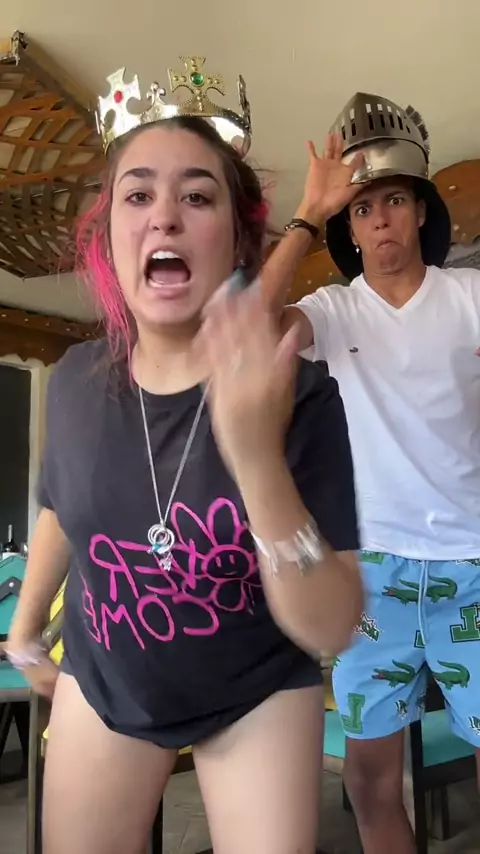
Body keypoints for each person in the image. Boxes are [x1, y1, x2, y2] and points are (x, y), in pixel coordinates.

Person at [6, 59, 362, 854]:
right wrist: (26, 630)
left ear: (237, 241)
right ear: (109, 239)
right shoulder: (74, 381)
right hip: (107, 676)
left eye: (197, 197)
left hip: (255, 687)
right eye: (137, 196)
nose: (164, 215)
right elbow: (63, 503)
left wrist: (257, 458)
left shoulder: (301, 395)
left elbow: (333, 624)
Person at [261, 90, 480, 854]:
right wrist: (305, 213)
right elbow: (251, 330)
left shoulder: (470, 297)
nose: (379, 218)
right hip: (373, 579)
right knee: (367, 783)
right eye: (362, 208)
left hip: (472, 569)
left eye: (393, 201)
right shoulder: (335, 310)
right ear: (348, 228)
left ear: (419, 211)